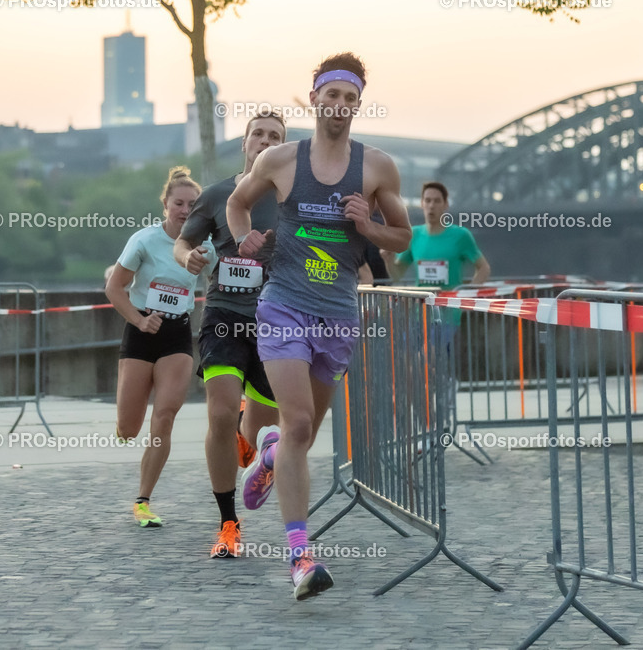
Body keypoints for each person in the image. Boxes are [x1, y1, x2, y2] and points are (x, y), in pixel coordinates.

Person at [226, 53, 412, 600]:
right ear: (314, 99)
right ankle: (300, 557)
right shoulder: (282, 161)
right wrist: (244, 239)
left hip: (337, 315)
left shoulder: (376, 167)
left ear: (358, 105)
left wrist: (367, 224)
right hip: (283, 305)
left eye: (349, 99)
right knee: (301, 422)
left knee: (299, 437)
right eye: (330, 96)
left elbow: (402, 239)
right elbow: (238, 205)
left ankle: (269, 456)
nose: (339, 107)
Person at [175, 110, 287, 558]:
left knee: (264, 437)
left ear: (282, 147)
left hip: (278, 321)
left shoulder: (293, 199)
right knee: (220, 414)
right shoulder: (220, 194)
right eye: (257, 133)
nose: (264, 140)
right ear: (244, 142)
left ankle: (251, 446)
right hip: (223, 313)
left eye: (274, 136)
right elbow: (183, 243)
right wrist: (189, 260)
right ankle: (228, 524)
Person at [105, 166, 217, 528]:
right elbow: (114, 289)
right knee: (128, 429)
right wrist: (139, 320)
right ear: (165, 205)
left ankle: (143, 500)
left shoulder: (206, 246)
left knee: (165, 416)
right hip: (140, 333)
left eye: (192, 204)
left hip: (178, 336)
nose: (185, 210)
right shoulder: (144, 240)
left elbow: (230, 272)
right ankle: (123, 427)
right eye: (178, 203)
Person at [382, 181, 489, 291]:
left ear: (445, 204)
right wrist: (389, 260)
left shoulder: (461, 235)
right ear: (422, 203)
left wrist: (467, 294)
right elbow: (397, 275)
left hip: (450, 307)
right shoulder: (414, 235)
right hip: (422, 306)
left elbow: (484, 268)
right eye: (428, 200)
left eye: (437, 201)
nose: (431, 206)